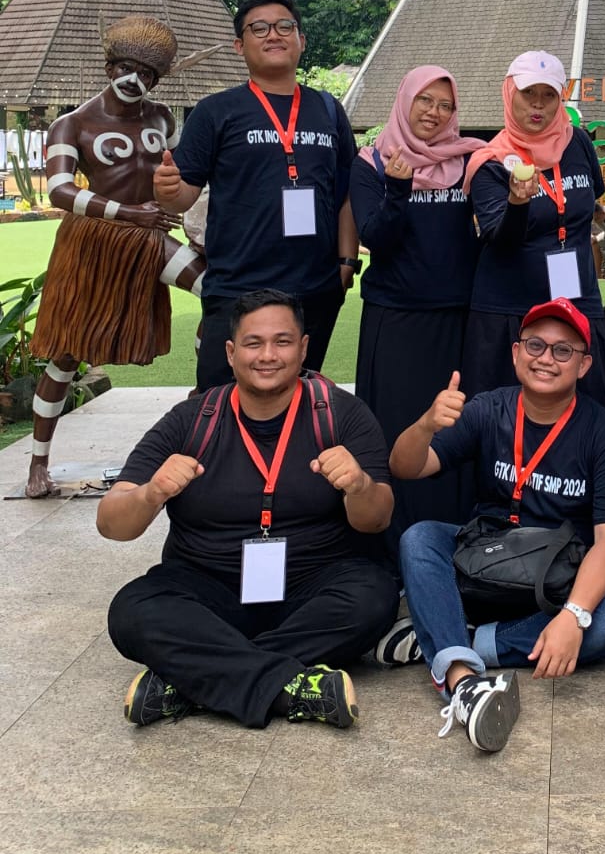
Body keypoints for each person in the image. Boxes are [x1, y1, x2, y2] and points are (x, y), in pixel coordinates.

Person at [99, 289, 397, 729]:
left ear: (304, 348)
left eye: (282, 341)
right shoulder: (191, 420)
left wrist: (359, 485)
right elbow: (112, 523)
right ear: (231, 351)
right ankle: (286, 685)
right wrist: (151, 493)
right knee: (131, 609)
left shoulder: (341, 416)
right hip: (208, 585)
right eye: (254, 343)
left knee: (374, 596)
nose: (268, 355)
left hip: (309, 586)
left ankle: (192, 679)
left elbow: (378, 519)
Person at [390, 298, 605, 753]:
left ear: (584, 366)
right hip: (489, 558)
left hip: (557, 577)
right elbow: (406, 467)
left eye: (563, 351)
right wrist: (425, 425)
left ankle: (451, 643)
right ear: (516, 353)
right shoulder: (489, 409)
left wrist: (573, 617)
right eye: (536, 345)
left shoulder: (604, 433)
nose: (546, 358)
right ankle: (464, 682)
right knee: (420, 538)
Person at [26, 15, 206, 497]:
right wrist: (129, 212)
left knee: (218, 290)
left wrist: (190, 215)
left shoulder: (162, 118)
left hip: (149, 235)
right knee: (67, 352)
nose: (135, 80)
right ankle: (38, 463)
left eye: (146, 74)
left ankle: (204, 405)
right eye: (126, 67)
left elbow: (182, 175)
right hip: (95, 242)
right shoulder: (73, 124)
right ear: (109, 67)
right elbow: (61, 191)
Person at [153, 0, 358, 388]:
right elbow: (183, 195)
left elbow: (346, 194)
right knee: (218, 401)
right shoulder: (216, 111)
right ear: (239, 45)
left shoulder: (328, 109)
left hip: (314, 287)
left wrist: (346, 266)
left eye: (285, 26)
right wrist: (167, 190)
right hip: (238, 286)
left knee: (300, 396)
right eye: (258, 28)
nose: (274, 35)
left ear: (301, 40)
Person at [351, 64, 483, 533]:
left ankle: (452, 536)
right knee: (393, 429)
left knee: (452, 430)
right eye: (425, 100)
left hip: (456, 319)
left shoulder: (470, 161)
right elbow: (376, 237)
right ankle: (390, 542)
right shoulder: (371, 163)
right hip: (397, 320)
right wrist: (399, 189)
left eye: (445, 105)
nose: (434, 112)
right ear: (406, 100)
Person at [462, 51, 605, 418]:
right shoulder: (491, 161)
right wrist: (517, 205)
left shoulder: (578, 143)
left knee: (593, 421)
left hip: (577, 302)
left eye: (548, 94)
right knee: (503, 425)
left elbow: (586, 211)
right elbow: (497, 238)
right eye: (528, 93)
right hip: (509, 313)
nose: (538, 104)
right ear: (509, 94)